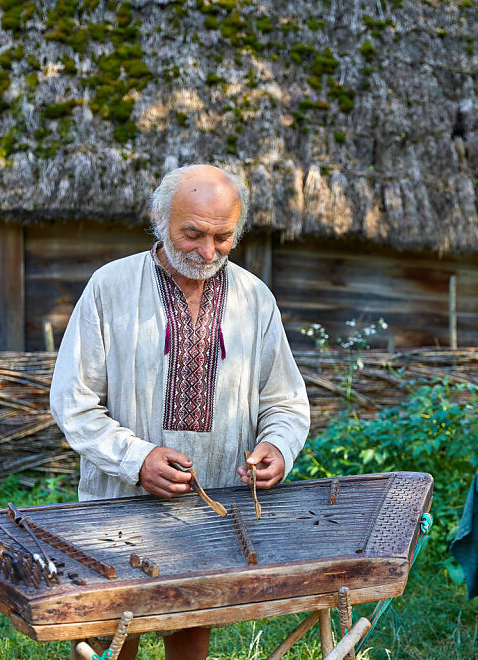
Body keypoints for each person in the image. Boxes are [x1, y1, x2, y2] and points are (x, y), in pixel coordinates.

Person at [49, 164, 310, 660]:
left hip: (209, 510)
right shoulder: (111, 288)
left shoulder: (255, 298)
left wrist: (277, 445)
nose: (207, 252)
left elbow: (285, 401)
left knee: (190, 625)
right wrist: (136, 458)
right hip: (118, 505)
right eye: (192, 234)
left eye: (223, 237)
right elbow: (73, 401)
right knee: (113, 628)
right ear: (159, 219)